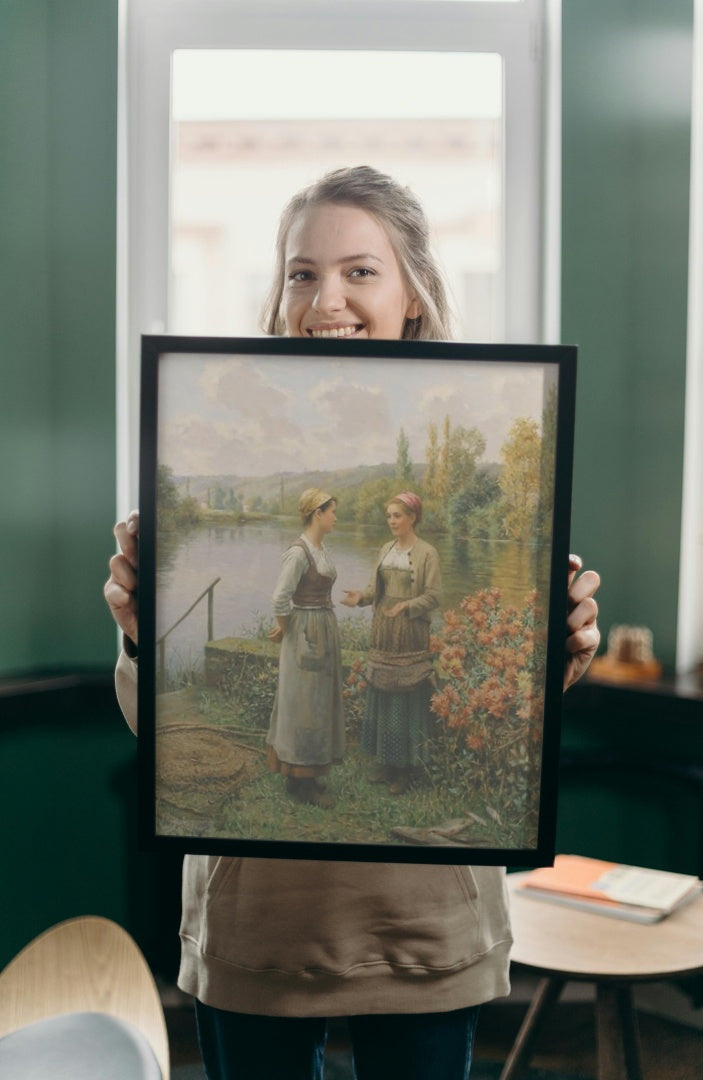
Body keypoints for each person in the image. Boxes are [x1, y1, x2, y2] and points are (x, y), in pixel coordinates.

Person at [105, 165, 601, 1080]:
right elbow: (156, 733)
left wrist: (556, 652)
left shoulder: (495, 416)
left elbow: (522, 718)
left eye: (359, 271)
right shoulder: (196, 424)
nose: (324, 297)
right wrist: (139, 632)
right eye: (301, 272)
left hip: (424, 927)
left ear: (413, 292)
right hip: (256, 927)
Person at [342, 491, 440, 795]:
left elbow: (435, 596)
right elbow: (375, 588)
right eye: (389, 516)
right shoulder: (385, 549)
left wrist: (407, 607)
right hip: (384, 630)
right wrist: (361, 598)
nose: (392, 521)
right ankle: (386, 762)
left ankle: (406, 770)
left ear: (413, 518)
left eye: (397, 515)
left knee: (405, 696)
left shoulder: (427, 553)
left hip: (409, 633)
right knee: (383, 693)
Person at [267, 488, 344, 810]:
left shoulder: (320, 548)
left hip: (321, 627)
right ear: (317, 514)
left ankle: (308, 774)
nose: (335, 517)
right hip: (306, 633)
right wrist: (285, 627)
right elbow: (279, 597)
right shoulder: (299, 553)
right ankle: (300, 782)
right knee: (303, 705)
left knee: (318, 703)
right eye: (332, 512)